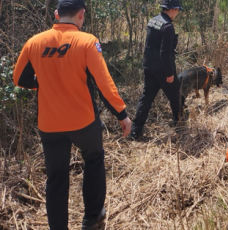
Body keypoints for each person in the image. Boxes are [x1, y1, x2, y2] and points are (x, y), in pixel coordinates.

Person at [12, 0, 132, 229]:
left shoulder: (34, 42)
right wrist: (122, 114)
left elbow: (18, 79)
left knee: (56, 177)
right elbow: (104, 84)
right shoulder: (87, 42)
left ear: (57, 14)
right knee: (94, 161)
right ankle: (92, 218)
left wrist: (41, 81)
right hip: (83, 122)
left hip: (49, 124)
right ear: (81, 15)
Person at [131, 0, 183, 139]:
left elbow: (149, 46)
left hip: (149, 67)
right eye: (178, 10)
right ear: (172, 9)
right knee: (176, 97)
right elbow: (165, 53)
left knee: (146, 98)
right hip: (163, 70)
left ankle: (135, 131)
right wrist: (169, 74)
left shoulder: (153, 21)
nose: (177, 13)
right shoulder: (168, 27)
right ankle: (180, 126)